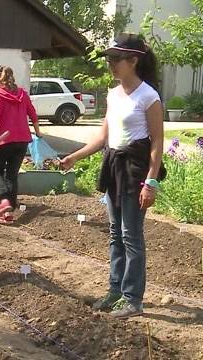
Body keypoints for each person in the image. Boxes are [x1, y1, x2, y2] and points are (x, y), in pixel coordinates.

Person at [60, 33, 164, 318]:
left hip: (135, 171)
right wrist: (74, 156)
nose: (111, 64)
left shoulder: (148, 96)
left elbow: (157, 142)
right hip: (114, 168)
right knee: (115, 234)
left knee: (131, 235)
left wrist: (150, 182)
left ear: (134, 60)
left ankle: (133, 300)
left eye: (117, 59)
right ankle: (115, 290)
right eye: (110, 59)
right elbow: (104, 136)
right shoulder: (113, 93)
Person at [0, 65, 41, 224]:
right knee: (12, 175)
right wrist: (38, 131)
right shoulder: (22, 93)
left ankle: (3, 200)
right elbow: (33, 113)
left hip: (3, 139)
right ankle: (8, 213)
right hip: (22, 140)